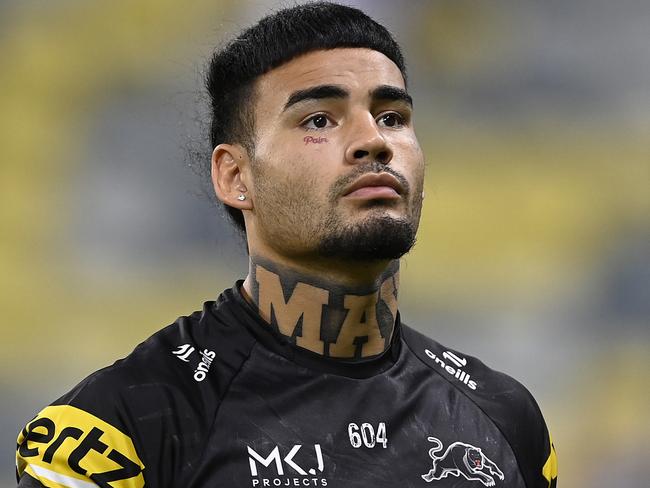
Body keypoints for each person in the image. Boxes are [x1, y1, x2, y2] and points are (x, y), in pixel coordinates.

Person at [15, 3, 557, 487]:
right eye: (319, 119)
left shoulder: (506, 418)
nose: (374, 141)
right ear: (235, 177)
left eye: (392, 117)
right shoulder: (120, 430)